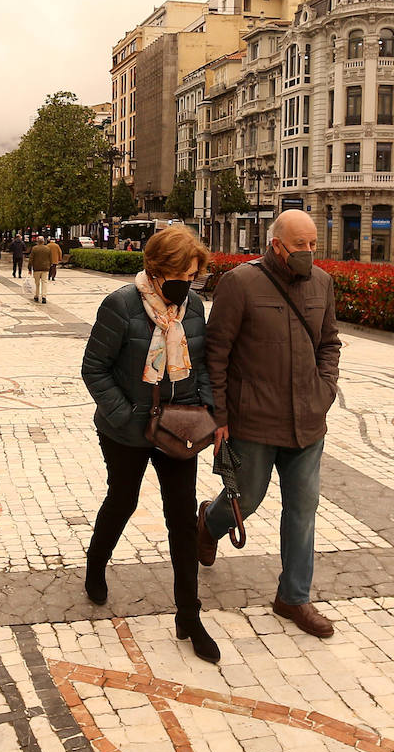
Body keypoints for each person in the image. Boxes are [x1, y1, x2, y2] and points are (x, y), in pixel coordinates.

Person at [196, 209, 342, 639]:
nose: (308, 253)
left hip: (308, 423)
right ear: (276, 244)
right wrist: (219, 416)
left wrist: (325, 389)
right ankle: (208, 523)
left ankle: (293, 597)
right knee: (249, 497)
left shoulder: (322, 284)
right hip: (254, 420)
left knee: (303, 510)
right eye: (300, 245)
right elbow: (216, 354)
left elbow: (329, 343)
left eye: (314, 244)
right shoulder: (240, 283)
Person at [80, 226, 219, 662]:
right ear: (155, 270)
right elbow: (94, 369)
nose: (187, 283)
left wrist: (209, 415)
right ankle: (96, 566)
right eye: (179, 274)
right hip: (126, 430)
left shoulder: (193, 306)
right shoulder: (121, 305)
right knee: (122, 500)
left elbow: (204, 366)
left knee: (181, 517)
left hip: (179, 430)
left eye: (193, 275)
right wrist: (126, 417)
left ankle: (189, 615)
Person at [28, 235, 53, 303]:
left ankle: (36, 295)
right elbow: (51, 259)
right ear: (43, 241)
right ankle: (44, 296)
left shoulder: (34, 248)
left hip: (36, 268)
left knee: (37, 283)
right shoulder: (47, 248)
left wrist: (29, 268)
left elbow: (31, 259)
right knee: (44, 282)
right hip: (45, 268)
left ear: (37, 241)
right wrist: (49, 265)